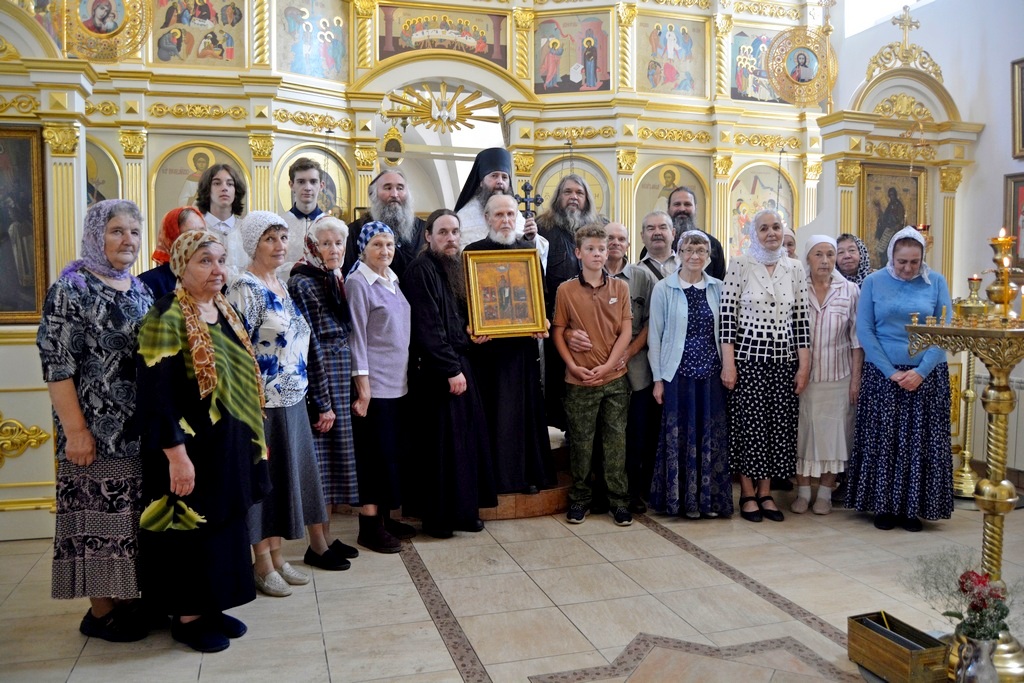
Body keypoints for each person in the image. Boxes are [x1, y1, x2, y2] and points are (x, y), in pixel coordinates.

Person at [135, 231, 271, 652]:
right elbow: (155, 396)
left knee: (225, 524)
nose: (217, 270)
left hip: (228, 445)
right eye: (204, 262)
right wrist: (176, 456)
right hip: (188, 449)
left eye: (221, 261)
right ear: (181, 267)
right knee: (189, 527)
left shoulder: (223, 310)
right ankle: (188, 615)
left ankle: (213, 603)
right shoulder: (165, 316)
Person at [36, 199, 153, 642]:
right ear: (95, 235)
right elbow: (57, 365)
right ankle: (101, 612)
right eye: (117, 231)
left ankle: (129, 600)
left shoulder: (137, 288)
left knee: (127, 521)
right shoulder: (72, 288)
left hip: (136, 432)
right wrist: (77, 432)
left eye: (134, 232)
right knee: (96, 520)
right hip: (94, 434)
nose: (128, 240)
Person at [228, 212, 347, 600]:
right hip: (262, 402)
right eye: (270, 239)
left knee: (282, 481)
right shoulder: (243, 287)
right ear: (252, 244)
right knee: (264, 484)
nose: (280, 245)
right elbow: (236, 351)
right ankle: (260, 563)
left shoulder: (279, 284)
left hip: (292, 399)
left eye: (282, 237)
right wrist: (250, 402)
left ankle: (278, 558)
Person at [845, 227, 953, 531]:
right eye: (902, 261)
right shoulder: (873, 282)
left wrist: (920, 372)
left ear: (922, 260)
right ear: (891, 256)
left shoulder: (937, 283)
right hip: (883, 374)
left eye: (914, 262)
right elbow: (865, 331)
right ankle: (883, 506)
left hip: (927, 375)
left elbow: (944, 330)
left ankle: (912, 509)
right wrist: (891, 372)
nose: (907, 268)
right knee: (884, 441)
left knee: (919, 442)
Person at [404, 209, 497, 537]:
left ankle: (462, 513)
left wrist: (473, 334)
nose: (450, 238)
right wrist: (451, 369)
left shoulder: (456, 268)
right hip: (437, 372)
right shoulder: (420, 270)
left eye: (455, 232)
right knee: (440, 449)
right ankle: (439, 519)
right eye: (442, 232)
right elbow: (427, 326)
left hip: (458, 364)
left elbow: (455, 320)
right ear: (428, 236)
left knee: (463, 445)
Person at [720, 209, 810, 523]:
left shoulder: (795, 267)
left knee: (776, 427)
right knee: (749, 427)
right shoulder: (741, 264)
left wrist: (803, 366)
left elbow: (801, 320)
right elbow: (727, 318)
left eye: (776, 227)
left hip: (783, 361)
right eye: (763, 228)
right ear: (753, 233)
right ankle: (747, 493)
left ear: (783, 231)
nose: (770, 233)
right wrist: (728, 364)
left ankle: (766, 492)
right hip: (747, 361)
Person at [466, 194, 556, 494]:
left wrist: (541, 320)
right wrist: (472, 326)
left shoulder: (526, 251)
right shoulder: (473, 253)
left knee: (523, 412)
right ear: (488, 219)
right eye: (499, 215)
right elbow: (466, 301)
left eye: (510, 214)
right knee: (494, 411)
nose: (505, 220)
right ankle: (495, 478)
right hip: (488, 351)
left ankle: (524, 475)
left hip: (521, 347)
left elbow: (539, 295)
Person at [288, 216, 362, 563]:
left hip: (338, 371)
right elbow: (309, 344)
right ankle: (316, 545)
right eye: (327, 243)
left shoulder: (331, 277)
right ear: (312, 246)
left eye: (339, 244)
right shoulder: (302, 282)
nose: (334, 250)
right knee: (320, 465)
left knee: (334, 463)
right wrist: (322, 402)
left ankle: (328, 538)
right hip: (321, 378)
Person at [552, 224, 633, 526]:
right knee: (582, 444)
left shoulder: (620, 288)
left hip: (614, 379)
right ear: (578, 253)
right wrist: (572, 366)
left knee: (616, 443)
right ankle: (580, 500)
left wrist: (610, 366)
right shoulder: (566, 290)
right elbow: (558, 331)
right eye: (590, 249)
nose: (597, 254)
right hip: (579, 380)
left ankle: (618, 501)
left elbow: (625, 332)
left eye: (601, 249)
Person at [648, 230, 732, 519]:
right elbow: (655, 338)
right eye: (689, 251)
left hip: (711, 375)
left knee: (710, 434)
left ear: (708, 257)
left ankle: (708, 500)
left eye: (701, 252)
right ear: (679, 253)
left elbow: (727, 333)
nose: (695, 256)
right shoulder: (664, 288)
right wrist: (658, 379)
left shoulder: (720, 288)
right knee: (680, 436)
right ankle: (681, 501)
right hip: (677, 375)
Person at [345, 222, 417, 553]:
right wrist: (363, 388)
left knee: (391, 454)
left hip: (397, 383)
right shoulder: (359, 282)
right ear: (363, 248)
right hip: (374, 386)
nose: (385, 251)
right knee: (374, 458)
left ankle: (386, 518)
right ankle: (369, 527)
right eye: (377, 245)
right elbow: (356, 336)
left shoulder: (391, 278)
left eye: (389, 244)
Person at [791, 236, 862, 516]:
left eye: (830, 254)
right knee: (803, 434)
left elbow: (857, 341)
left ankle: (824, 494)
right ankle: (803, 492)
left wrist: (856, 380)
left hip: (839, 376)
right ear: (807, 258)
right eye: (818, 254)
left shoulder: (850, 290)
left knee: (834, 436)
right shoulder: (797, 287)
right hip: (803, 377)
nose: (825, 260)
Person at [538, 174, 600, 429]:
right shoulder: (542, 228)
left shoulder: (599, 228)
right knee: (557, 387)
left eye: (579, 192)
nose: (573, 197)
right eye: (567, 192)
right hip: (555, 324)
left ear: (586, 199)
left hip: (593, 324)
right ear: (558, 197)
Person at [342, 170, 425, 278]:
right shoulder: (355, 231)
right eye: (387, 188)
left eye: (400, 188)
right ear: (373, 195)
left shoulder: (424, 230)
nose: (394, 194)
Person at [454, 147, 535, 247]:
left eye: (504, 177)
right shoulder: (464, 216)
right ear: (481, 182)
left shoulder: (517, 215)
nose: (500, 181)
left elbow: (529, 250)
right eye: (494, 176)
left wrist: (530, 238)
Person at [140, 206, 206, 299]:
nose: (199, 239)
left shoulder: (212, 276)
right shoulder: (148, 283)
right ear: (172, 239)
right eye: (190, 234)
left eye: (202, 232)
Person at [196, 162, 248, 279]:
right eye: (217, 183)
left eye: (230, 184)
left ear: (236, 190)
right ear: (208, 189)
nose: (224, 188)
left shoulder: (246, 229)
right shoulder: (197, 229)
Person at [668, 187, 726, 280]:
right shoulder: (660, 244)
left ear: (695, 208)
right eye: (677, 204)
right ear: (668, 208)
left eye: (687, 204)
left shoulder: (713, 244)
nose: (682, 209)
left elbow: (720, 283)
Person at [280, 157, 326, 276]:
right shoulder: (279, 224)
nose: (307, 187)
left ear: (321, 185)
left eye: (313, 181)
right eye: (301, 182)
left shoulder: (331, 224)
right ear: (291, 185)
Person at [639, 210, 679, 279]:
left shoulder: (686, 267)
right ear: (642, 236)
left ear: (673, 233)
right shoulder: (634, 271)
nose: (657, 233)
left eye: (663, 228)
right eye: (651, 229)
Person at [872, 187, 905, 268]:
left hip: (893, 232)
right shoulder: (890, 205)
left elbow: (901, 221)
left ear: (895, 195)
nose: (891, 197)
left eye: (892, 195)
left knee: (890, 249)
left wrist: (894, 228)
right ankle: (884, 264)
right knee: (883, 249)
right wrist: (879, 207)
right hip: (888, 230)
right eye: (890, 195)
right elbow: (885, 218)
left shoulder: (898, 205)